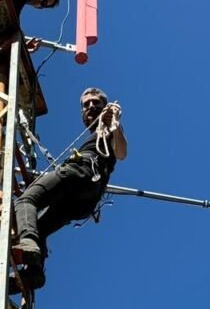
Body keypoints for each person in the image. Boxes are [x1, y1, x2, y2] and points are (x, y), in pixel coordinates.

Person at [13, 88, 128, 289]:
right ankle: (34, 272)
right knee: (39, 227)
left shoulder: (108, 129)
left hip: (80, 173)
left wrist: (116, 125)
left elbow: (121, 153)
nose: (91, 106)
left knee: (25, 201)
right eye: (86, 104)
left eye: (96, 103)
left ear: (104, 108)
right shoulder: (97, 134)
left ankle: (28, 245)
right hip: (83, 200)